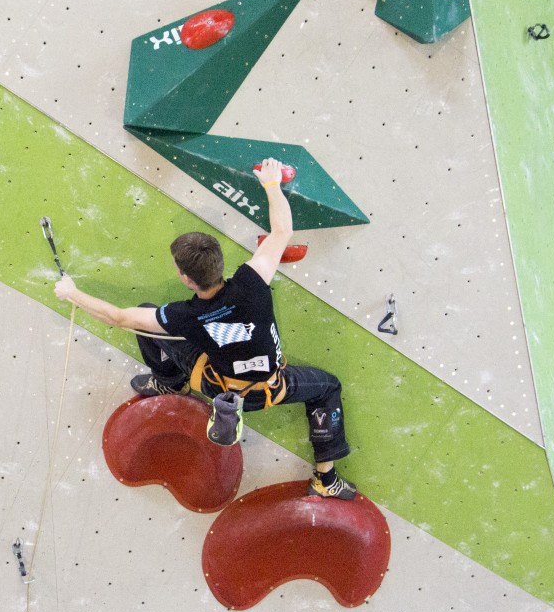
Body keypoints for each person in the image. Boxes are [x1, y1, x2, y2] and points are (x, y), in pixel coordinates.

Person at [53, 157, 357, 499]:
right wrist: (272, 185)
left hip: (217, 386)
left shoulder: (185, 316)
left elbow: (121, 318)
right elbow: (282, 231)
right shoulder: (251, 283)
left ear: (186, 279)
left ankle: (170, 383)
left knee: (145, 317)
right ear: (220, 264)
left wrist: (73, 294)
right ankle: (326, 479)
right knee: (327, 387)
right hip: (273, 388)